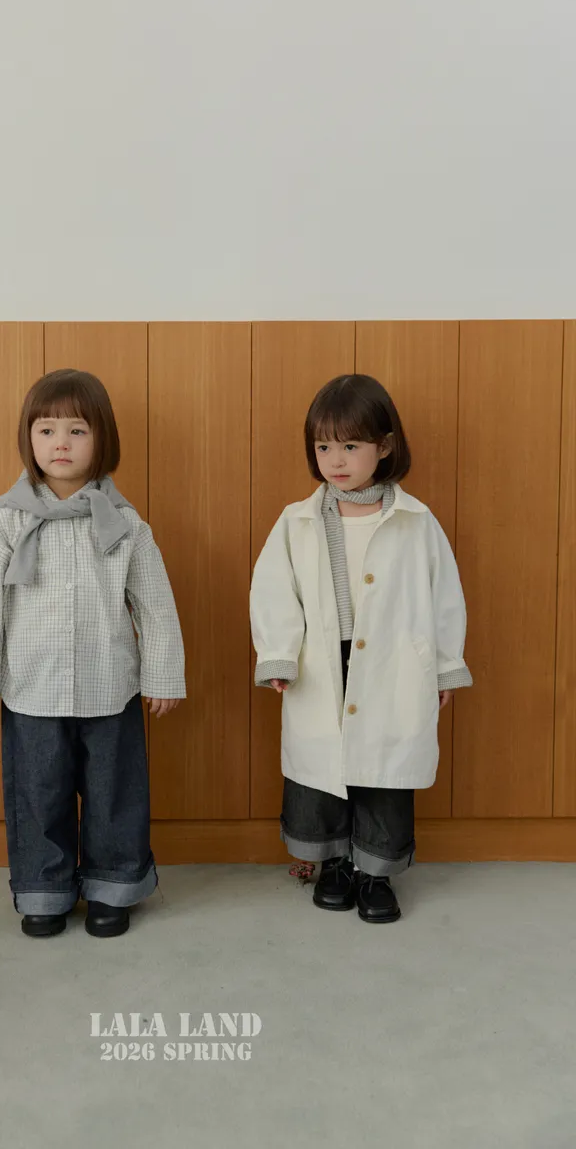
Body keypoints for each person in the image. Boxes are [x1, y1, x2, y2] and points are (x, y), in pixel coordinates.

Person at [0, 368, 185, 939]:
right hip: (31, 690)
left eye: (77, 430)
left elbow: (155, 606)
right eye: (47, 430)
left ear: (102, 439)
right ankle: (43, 890)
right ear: (29, 439)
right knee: (38, 794)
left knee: (114, 794)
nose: (61, 443)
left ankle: (113, 886)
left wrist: (163, 676)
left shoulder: (125, 525)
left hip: (111, 688)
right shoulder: (7, 523)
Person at [250, 374, 472, 923]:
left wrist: (445, 667)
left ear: (385, 446)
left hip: (394, 665)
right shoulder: (297, 521)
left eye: (350, 445)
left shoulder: (416, 522)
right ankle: (333, 864)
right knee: (322, 769)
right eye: (324, 446)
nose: (336, 460)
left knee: (383, 772)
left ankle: (375, 872)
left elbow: (444, 596)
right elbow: (274, 589)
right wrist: (279, 653)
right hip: (322, 662)